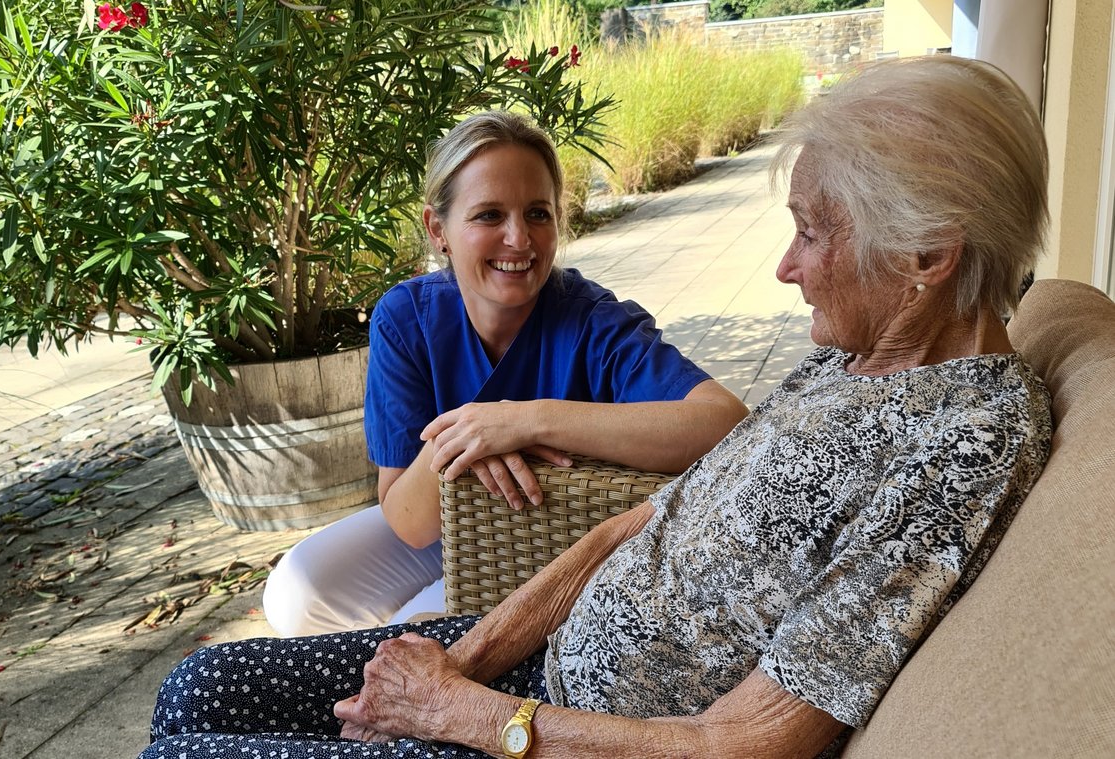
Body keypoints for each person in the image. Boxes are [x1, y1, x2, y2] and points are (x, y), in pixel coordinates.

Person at [141, 56, 1054, 759]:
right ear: (439, 229)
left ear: (930, 254)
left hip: (574, 735)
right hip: (535, 669)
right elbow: (632, 528)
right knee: (197, 685)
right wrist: (457, 666)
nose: (785, 267)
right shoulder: (849, 361)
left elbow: (749, 742)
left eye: (811, 232)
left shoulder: (962, 440)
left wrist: (467, 712)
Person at [262, 111, 748, 635]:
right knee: (296, 593)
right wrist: (472, 436)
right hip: (442, 524)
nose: (520, 239)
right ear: (437, 230)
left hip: (551, 536)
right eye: (489, 215)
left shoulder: (592, 320)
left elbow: (724, 421)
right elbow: (409, 520)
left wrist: (528, 420)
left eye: (538, 213)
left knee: (415, 635)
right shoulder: (407, 319)